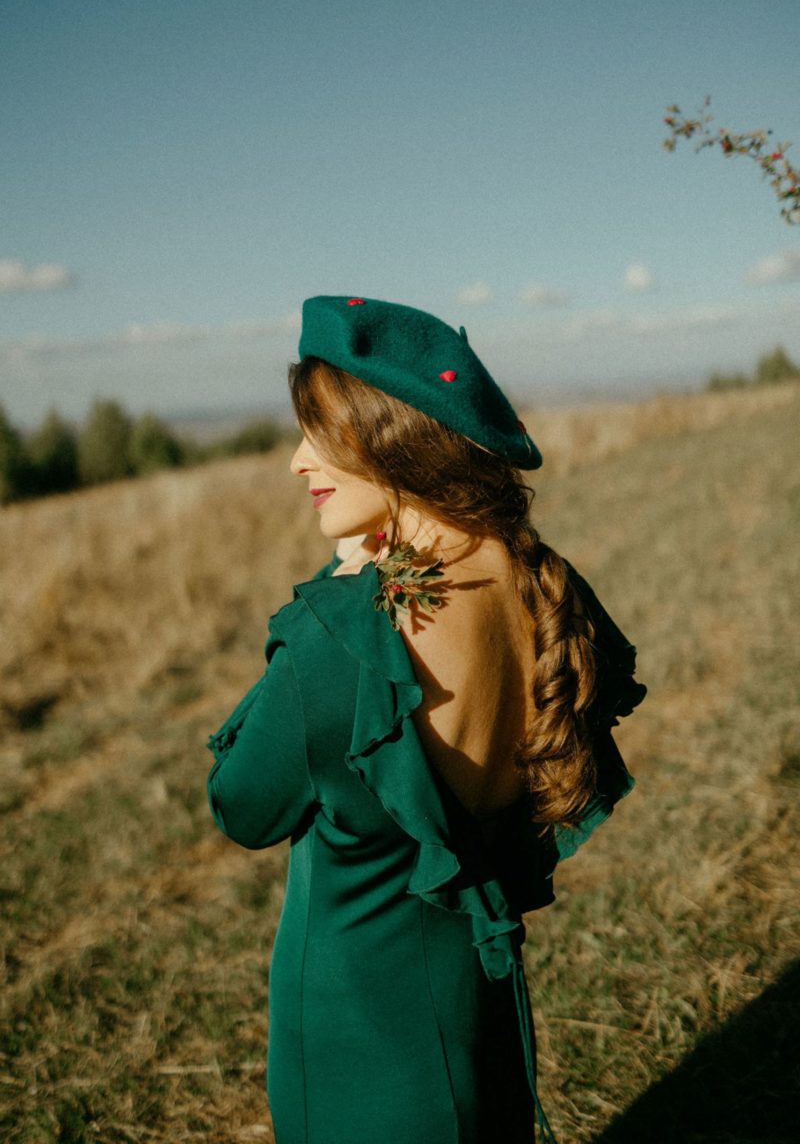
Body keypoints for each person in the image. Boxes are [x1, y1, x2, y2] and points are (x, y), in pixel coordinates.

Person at [206, 295, 647, 1144]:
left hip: (358, 1061)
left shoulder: (344, 643)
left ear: (388, 436)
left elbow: (241, 806)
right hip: (479, 1030)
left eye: (319, 434)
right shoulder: (539, 583)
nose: (298, 462)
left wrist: (335, 594)